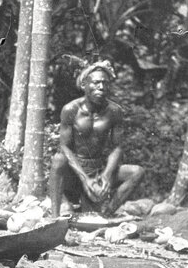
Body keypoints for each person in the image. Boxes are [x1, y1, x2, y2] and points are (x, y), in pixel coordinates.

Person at [49, 60, 145, 218]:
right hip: (75, 172)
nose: (101, 87)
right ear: (84, 85)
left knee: (137, 172)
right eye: (96, 83)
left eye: (105, 83)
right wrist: (84, 178)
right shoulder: (70, 109)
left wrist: (106, 175)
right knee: (58, 160)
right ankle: (54, 218)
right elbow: (64, 147)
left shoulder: (114, 111)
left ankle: (105, 215)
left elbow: (118, 147)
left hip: (99, 169)